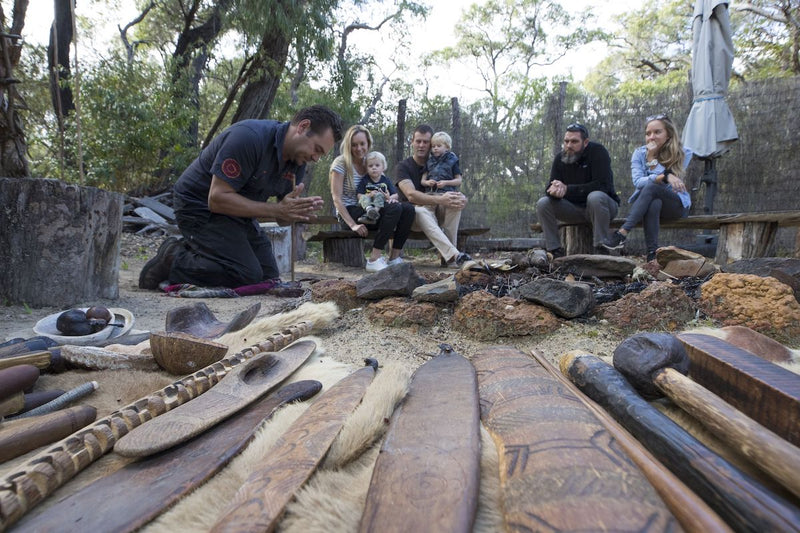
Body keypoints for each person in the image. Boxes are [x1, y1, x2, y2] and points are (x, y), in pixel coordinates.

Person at [138, 105, 344, 290]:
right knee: (246, 273)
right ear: (303, 127)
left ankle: (204, 252)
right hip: (197, 205)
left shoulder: (297, 162)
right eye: (316, 149)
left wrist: (295, 213)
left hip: (238, 214)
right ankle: (173, 258)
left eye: (321, 155)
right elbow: (217, 198)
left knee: (267, 275)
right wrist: (276, 210)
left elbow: (282, 217)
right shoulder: (249, 137)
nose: (316, 158)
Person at [603, 114, 693, 261]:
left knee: (652, 186)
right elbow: (638, 182)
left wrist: (652, 161)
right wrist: (665, 176)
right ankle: (652, 254)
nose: (652, 137)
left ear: (668, 134)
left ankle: (622, 233)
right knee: (654, 202)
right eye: (648, 133)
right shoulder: (639, 154)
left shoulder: (683, 153)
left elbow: (670, 186)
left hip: (675, 205)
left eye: (657, 132)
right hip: (649, 204)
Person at [330, 125, 415, 273]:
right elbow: (336, 198)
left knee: (408, 208)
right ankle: (374, 259)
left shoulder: (371, 162)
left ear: (368, 143)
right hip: (351, 213)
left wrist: (390, 198)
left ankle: (394, 257)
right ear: (348, 145)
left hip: (375, 210)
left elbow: (385, 188)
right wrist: (352, 225)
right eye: (354, 144)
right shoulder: (341, 163)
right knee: (395, 209)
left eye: (362, 144)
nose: (358, 148)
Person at [535, 123, 620, 258]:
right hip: (574, 210)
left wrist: (568, 190)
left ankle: (601, 247)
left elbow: (603, 186)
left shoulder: (598, 152)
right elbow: (550, 187)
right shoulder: (560, 158)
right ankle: (555, 251)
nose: (569, 145)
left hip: (604, 207)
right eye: (566, 141)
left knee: (595, 197)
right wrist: (554, 191)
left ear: (585, 142)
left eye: (574, 141)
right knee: (543, 203)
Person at [395, 124, 471, 268]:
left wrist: (461, 198)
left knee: (455, 203)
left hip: (438, 212)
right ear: (412, 142)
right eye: (418, 141)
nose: (422, 145)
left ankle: (452, 260)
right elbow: (411, 195)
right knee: (420, 210)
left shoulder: (443, 162)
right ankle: (455, 255)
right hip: (412, 218)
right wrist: (440, 199)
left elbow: (456, 181)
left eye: (426, 142)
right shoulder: (403, 167)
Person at [356, 151, 397, 224]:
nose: (374, 168)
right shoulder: (365, 180)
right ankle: (370, 211)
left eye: (377, 165)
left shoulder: (386, 180)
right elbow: (359, 195)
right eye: (370, 166)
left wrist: (389, 198)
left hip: (380, 204)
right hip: (367, 204)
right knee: (363, 198)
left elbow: (396, 195)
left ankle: (373, 213)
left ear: (383, 167)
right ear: (367, 168)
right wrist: (368, 195)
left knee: (379, 194)